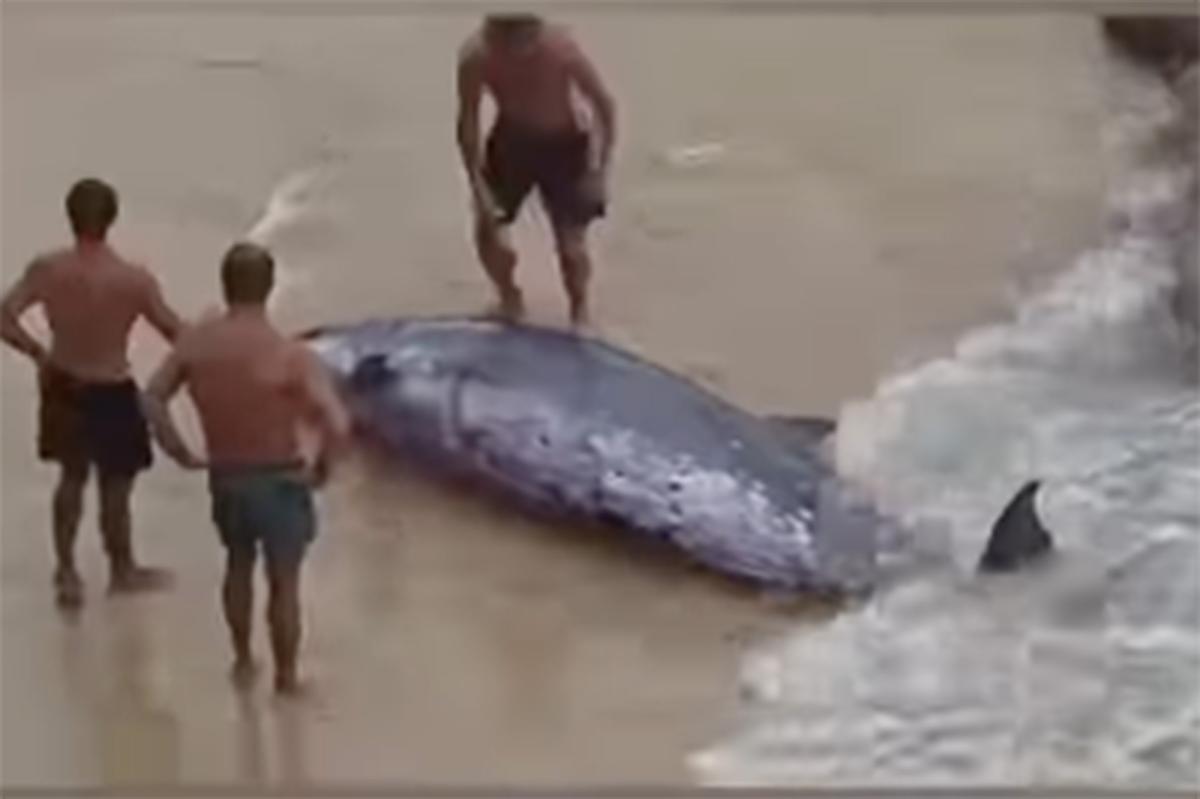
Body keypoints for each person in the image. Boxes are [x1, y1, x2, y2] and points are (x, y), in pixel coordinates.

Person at [142, 242, 350, 695]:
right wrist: (322, 471)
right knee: (284, 584)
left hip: (227, 475)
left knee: (237, 566)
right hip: (279, 478)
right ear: (269, 287)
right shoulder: (289, 354)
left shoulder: (198, 343)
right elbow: (338, 422)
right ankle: (287, 678)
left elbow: (152, 397)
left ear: (226, 284)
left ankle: (242, 660)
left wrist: (178, 450)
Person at [0, 178, 184, 608]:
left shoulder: (47, 269)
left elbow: (4, 316)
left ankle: (66, 571)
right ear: (112, 219)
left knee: (71, 478)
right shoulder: (133, 280)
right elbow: (175, 332)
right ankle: (122, 568)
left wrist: (38, 354)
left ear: (70, 217)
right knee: (116, 487)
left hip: (63, 380)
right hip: (112, 386)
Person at [456, 13, 617, 328]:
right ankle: (509, 299)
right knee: (489, 233)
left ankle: (580, 313)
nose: (517, 48)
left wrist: (599, 171)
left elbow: (604, 107)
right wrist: (479, 188)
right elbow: (468, 127)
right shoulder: (478, 56)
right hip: (512, 142)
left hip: (565, 145)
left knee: (571, 244)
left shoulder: (561, 49)